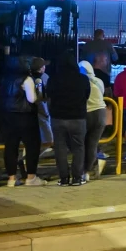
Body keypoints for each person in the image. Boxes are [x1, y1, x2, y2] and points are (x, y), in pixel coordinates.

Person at [0, 55, 42, 186]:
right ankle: (31, 177)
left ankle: (11, 179)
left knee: (10, 146)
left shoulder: (3, 80)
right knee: (32, 146)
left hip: (7, 117)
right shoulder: (26, 79)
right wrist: (38, 93)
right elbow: (32, 99)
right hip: (26, 117)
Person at [47, 54, 93, 186]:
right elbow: (87, 95)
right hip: (78, 117)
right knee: (78, 147)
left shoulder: (53, 79)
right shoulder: (83, 79)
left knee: (60, 147)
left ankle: (64, 178)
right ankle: (77, 178)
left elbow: (48, 96)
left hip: (58, 117)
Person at [79, 60, 107, 182]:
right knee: (92, 144)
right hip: (101, 113)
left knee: (81, 144)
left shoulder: (81, 81)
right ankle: (87, 171)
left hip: (87, 113)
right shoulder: (98, 81)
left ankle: (81, 171)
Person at [32, 57, 53, 156]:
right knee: (47, 132)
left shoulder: (29, 77)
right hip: (42, 108)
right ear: (40, 68)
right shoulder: (43, 77)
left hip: (30, 109)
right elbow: (41, 96)